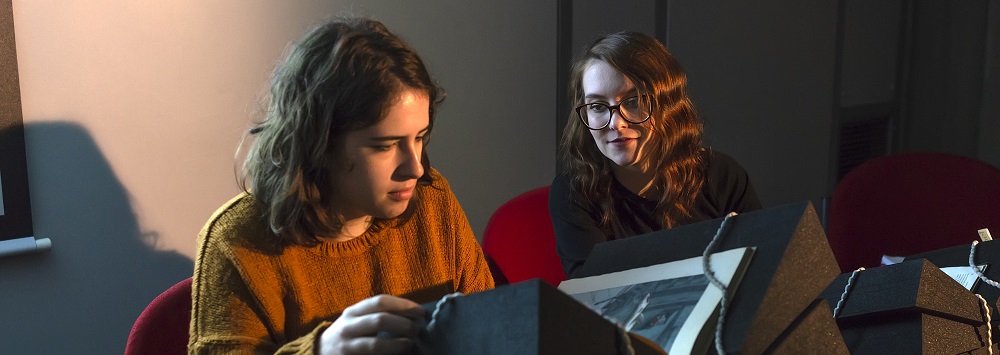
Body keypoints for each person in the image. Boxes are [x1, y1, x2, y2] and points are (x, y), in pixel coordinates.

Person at [189, 17, 494, 354]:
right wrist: (321, 350)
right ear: (320, 145)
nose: (416, 168)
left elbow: (493, 333)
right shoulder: (238, 241)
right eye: (384, 146)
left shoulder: (433, 201)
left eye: (419, 138)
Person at [550, 31, 762, 279]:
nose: (616, 124)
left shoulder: (722, 175)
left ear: (668, 104)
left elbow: (763, 274)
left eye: (632, 101)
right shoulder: (574, 193)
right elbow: (596, 300)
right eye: (597, 106)